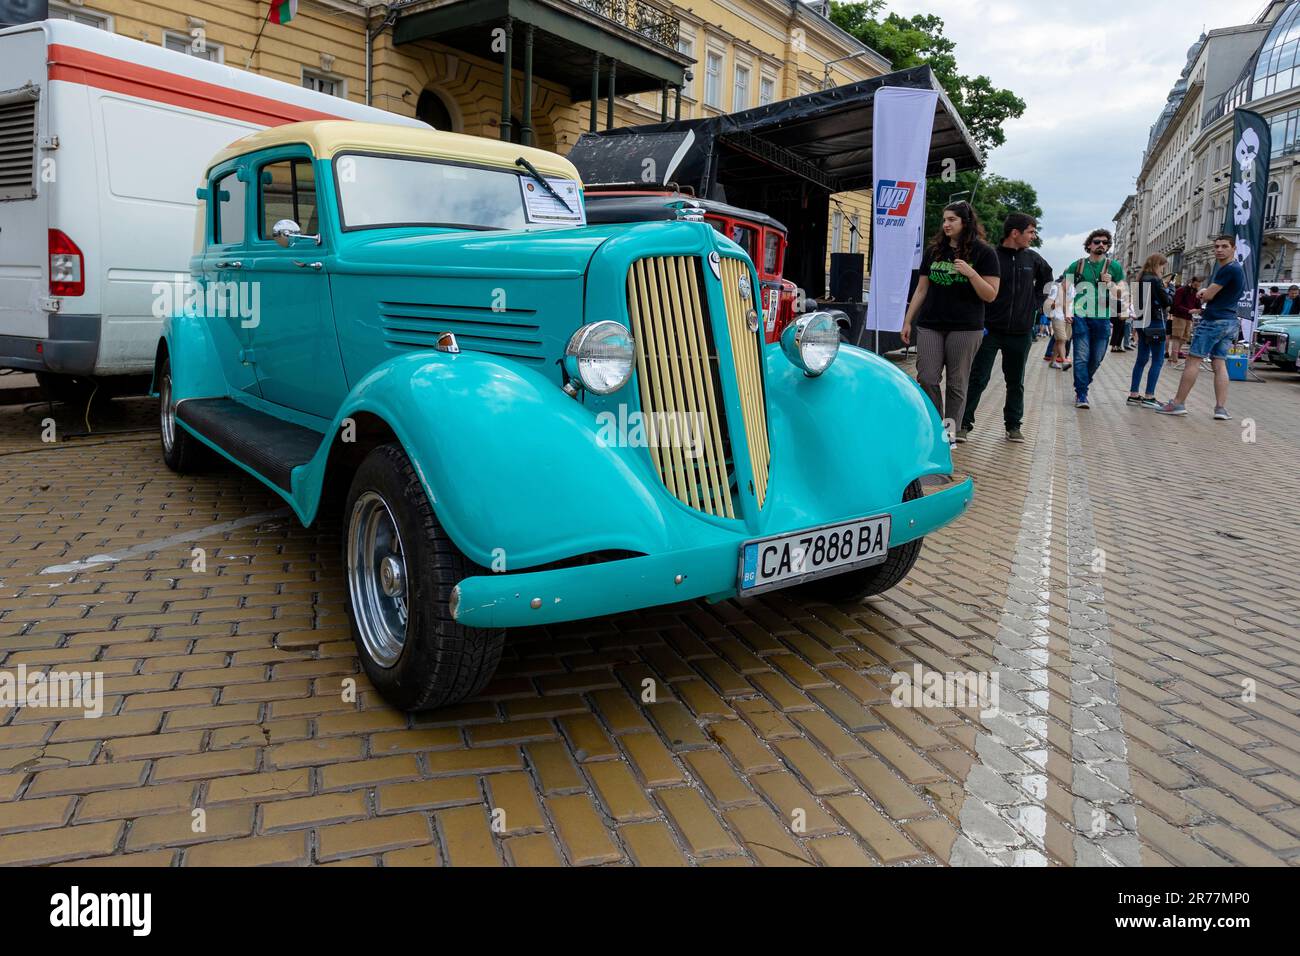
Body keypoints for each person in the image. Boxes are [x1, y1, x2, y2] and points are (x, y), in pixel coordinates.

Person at [901, 201, 1001, 442]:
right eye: (944, 220)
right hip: (930, 324)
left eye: (952, 220)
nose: (946, 224)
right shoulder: (934, 251)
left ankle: (949, 434)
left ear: (965, 222)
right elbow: (921, 289)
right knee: (927, 376)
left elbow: (990, 294)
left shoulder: (984, 253)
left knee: (957, 383)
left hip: (965, 328)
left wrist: (971, 273)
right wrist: (907, 321)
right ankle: (936, 428)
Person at [959, 213, 1054, 443]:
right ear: (1015, 233)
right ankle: (963, 424)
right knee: (977, 378)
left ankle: (1013, 425)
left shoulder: (1034, 259)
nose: (1033, 236)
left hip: (1021, 332)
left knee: (1015, 381)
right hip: (989, 329)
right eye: (1030, 232)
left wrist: (1038, 303)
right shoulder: (990, 256)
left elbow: (1048, 280)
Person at [1157, 235, 1244, 420]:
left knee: (1193, 361)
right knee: (1219, 363)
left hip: (1214, 321)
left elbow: (1208, 295)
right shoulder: (1237, 269)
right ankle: (1220, 408)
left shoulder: (1227, 269)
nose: (1219, 249)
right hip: (1230, 321)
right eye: (1217, 246)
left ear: (1233, 248)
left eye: (1224, 246)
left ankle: (1178, 403)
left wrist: (1204, 293)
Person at [1063, 228, 1126, 408]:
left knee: (1096, 358)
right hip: (1081, 315)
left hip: (1103, 317)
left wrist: (1110, 283)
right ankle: (1081, 393)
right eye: (1097, 242)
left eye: (1105, 243)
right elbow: (1064, 288)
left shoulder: (1114, 267)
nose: (1101, 245)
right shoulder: (1078, 265)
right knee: (1082, 356)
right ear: (1089, 244)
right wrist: (1067, 310)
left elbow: (1122, 293)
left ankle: (1083, 384)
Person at [1127, 254, 1171, 408]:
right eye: (1162, 266)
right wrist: (1168, 290)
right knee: (1158, 359)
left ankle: (1133, 394)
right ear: (1157, 265)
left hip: (1141, 321)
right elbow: (1166, 301)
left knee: (1141, 358)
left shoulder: (1140, 279)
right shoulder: (1155, 280)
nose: (1163, 269)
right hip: (1155, 321)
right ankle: (1149, 396)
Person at [1169, 276, 1201, 366]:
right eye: (1197, 283)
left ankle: (1173, 356)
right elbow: (1176, 304)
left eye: (1199, 284)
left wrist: (1198, 308)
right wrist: (1188, 310)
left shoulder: (1195, 292)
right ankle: (1174, 358)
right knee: (1177, 337)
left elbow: (1198, 305)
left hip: (1188, 317)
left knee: (1184, 338)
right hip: (1179, 316)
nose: (1198, 285)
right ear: (1192, 281)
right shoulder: (1181, 290)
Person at [1044, 276, 1072, 369]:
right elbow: (1049, 303)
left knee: (1059, 340)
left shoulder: (1072, 288)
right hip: (1057, 317)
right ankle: (1064, 361)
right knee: (1062, 339)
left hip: (1068, 318)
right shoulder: (1055, 288)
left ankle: (1052, 362)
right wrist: (1059, 303)